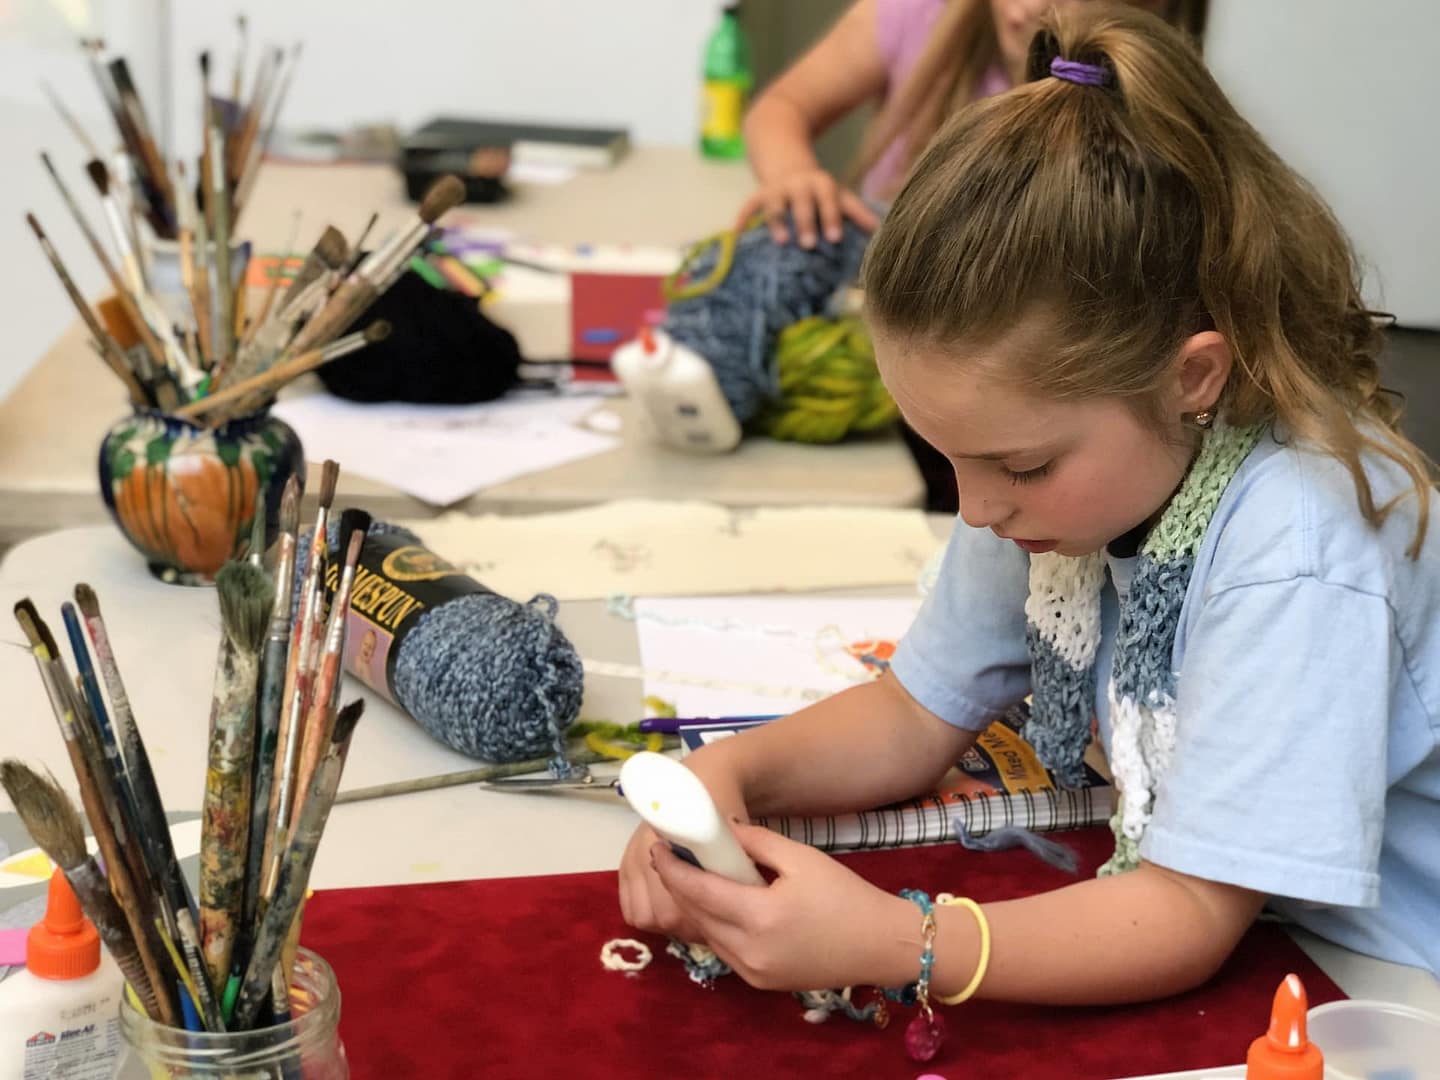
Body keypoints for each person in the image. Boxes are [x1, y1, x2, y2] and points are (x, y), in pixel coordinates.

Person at [620, 3, 1440, 1011]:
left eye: (1017, 464)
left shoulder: (1300, 544)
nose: (974, 511)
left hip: (1396, 976)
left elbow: (1185, 909)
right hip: (1284, 935)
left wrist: (901, 940)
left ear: (1193, 377)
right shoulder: (1066, 478)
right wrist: (730, 776)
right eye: (946, 458)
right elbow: (916, 711)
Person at [738, 0, 1205, 513]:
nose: (1025, 6)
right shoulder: (914, 16)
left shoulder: (1159, 139)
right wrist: (792, 175)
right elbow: (781, 107)